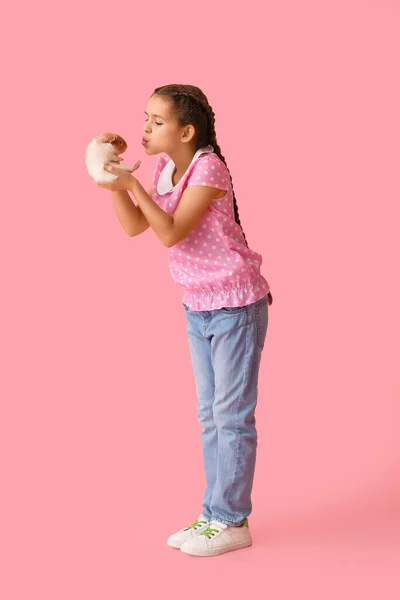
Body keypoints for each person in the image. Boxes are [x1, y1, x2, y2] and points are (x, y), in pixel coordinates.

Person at [96, 84, 273, 557]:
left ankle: (231, 519)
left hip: (235, 304)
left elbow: (171, 232)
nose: (145, 129)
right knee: (210, 416)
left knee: (232, 418)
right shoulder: (165, 167)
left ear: (187, 130)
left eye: (156, 121)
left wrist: (131, 185)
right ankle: (213, 513)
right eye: (145, 118)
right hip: (198, 304)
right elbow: (137, 226)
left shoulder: (207, 167)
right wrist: (117, 183)